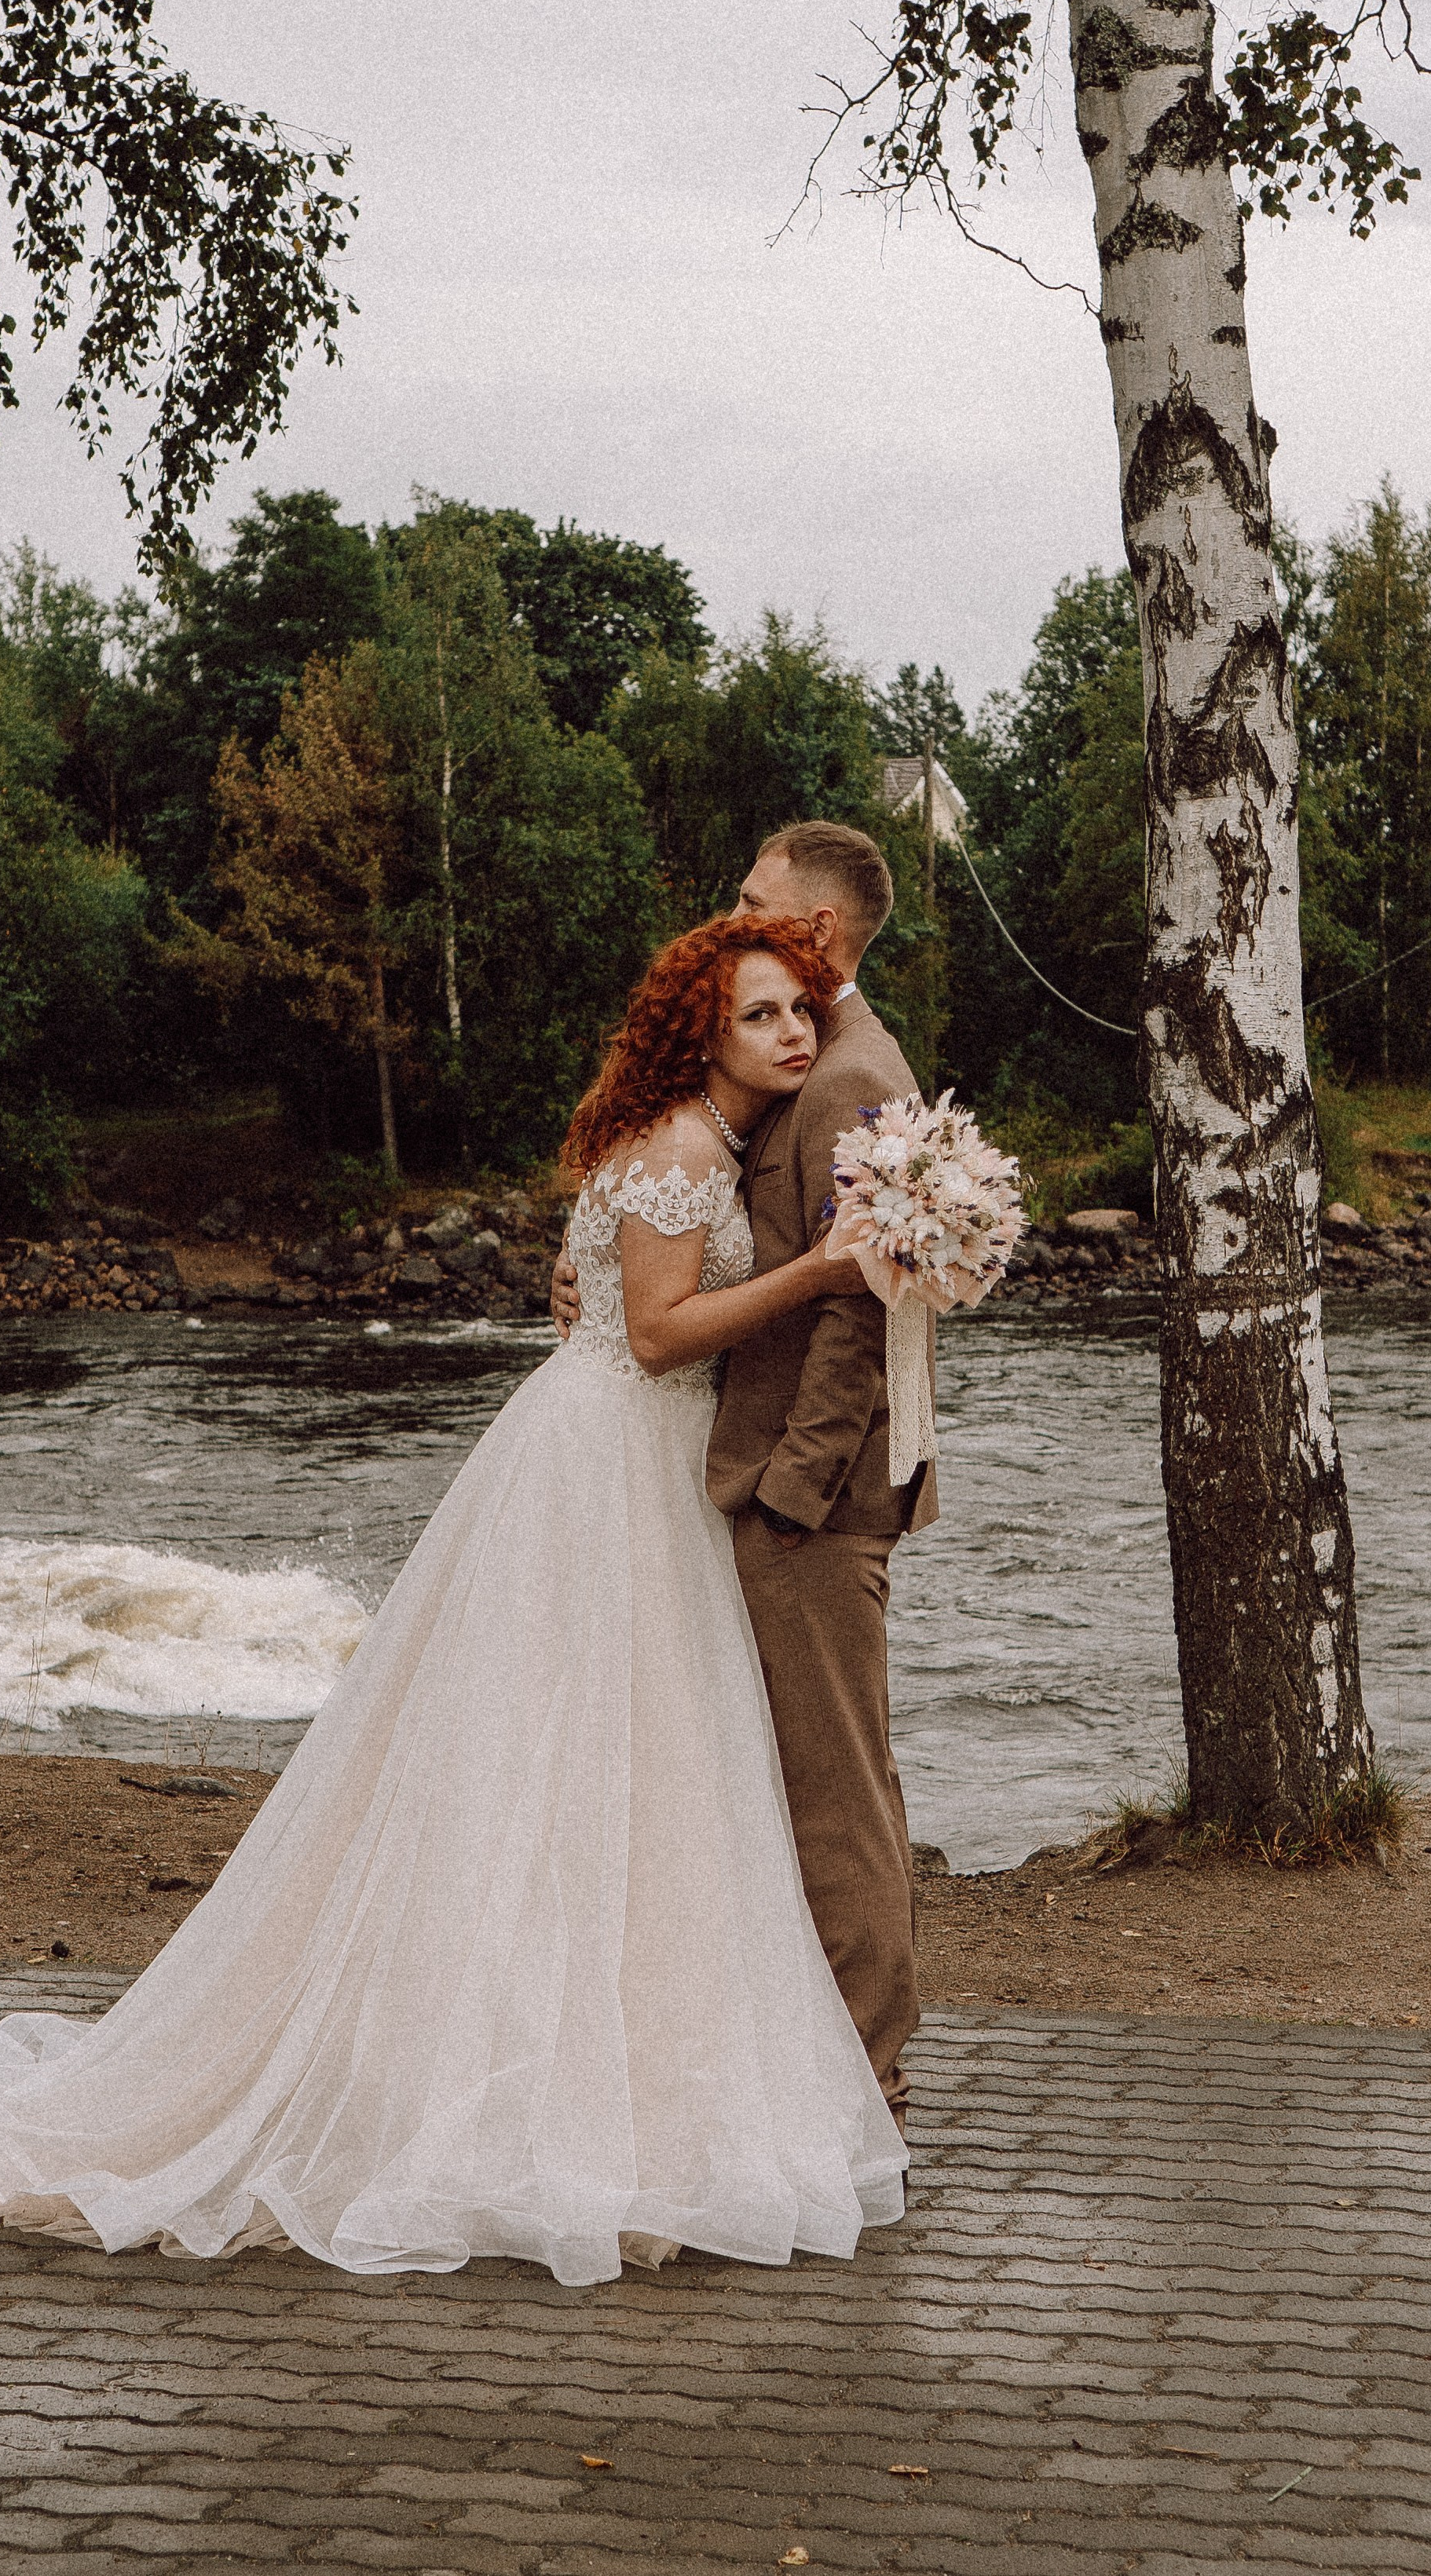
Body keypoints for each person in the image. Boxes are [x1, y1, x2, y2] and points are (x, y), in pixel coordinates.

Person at [0, 918, 907, 2287]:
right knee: (585, 1756)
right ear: (701, 1032)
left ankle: (598, 2060)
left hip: (608, 1454)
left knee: (615, 1767)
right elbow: (650, 1335)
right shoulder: (689, 1150)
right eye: (762, 1015)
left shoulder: (688, 1138)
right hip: (610, 1466)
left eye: (798, 1014)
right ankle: (537, 2087)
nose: (793, 1035)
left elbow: (599, 1303)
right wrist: (820, 1273)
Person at [554, 820, 935, 2135]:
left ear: (816, 933)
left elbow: (865, 1318)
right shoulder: (802, 1065)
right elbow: (691, 1230)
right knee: (801, 1773)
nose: (734, 910)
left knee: (836, 1791)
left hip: (804, 1494)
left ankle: (868, 2071)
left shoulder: (847, 1083)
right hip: (731, 1465)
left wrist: (791, 1493)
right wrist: (596, 1271)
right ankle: (820, 2052)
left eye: (753, 896)